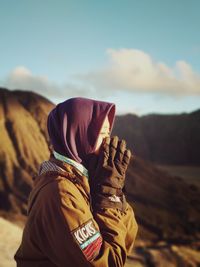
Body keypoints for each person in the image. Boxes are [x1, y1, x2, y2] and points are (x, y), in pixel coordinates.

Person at [14, 97, 138, 267]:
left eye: (108, 134)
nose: (107, 143)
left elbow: (129, 234)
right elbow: (109, 262)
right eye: (102, 135)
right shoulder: (61, 193)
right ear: (80, 136)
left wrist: (112, 193)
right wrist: (108, 196)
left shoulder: (82, 180)